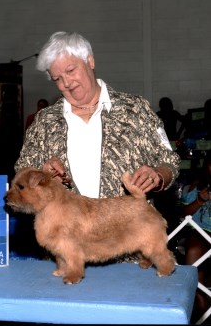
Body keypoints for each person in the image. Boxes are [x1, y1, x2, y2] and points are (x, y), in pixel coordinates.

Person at [14, 31, 181, 260]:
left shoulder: (136, 109)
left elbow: (169, 160)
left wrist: (158, 175)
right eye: (57, 79)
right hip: (66, 254)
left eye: (71, 71)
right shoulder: (44, 121)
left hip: (129, 251)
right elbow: (22, 171)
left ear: (90, 61)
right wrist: (42, 172)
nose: (66, 83)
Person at [181, 154, 211, 319]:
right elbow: (183, 216)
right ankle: (198, 301)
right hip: (200, 232)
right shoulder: (198, 187)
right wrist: (200, 200)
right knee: (193, 248)